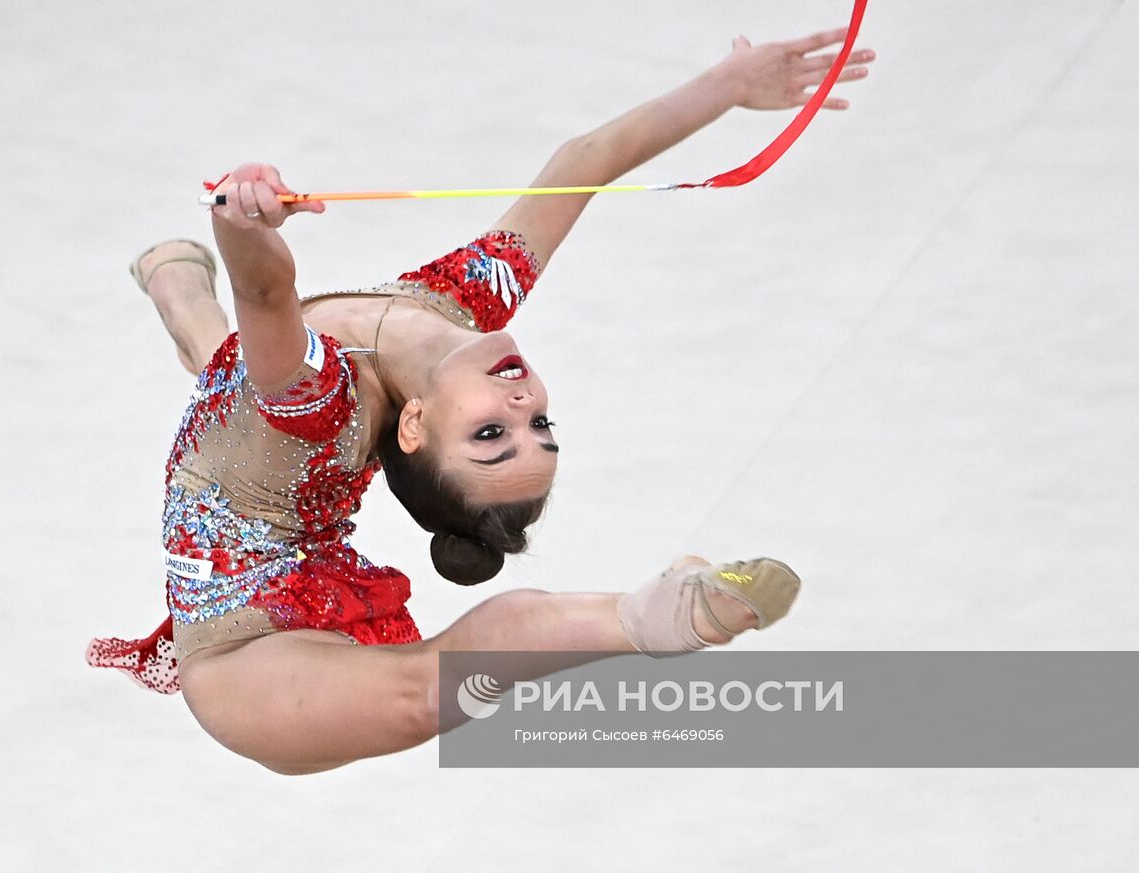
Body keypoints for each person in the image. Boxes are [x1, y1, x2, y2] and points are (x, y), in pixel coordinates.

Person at [87, 27, 873, 774]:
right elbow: (588, 158)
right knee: (225, 373)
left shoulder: (317, 399)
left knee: (416, 692)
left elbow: (265, 285)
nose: (526, 398)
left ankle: (657, 615)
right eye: (541, 425)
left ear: (419, 422)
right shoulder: (464, 301)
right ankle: (175, 279)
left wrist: (244, 214)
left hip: (245, 660)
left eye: (495, 431)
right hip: (260, 486)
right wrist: (730, 84)